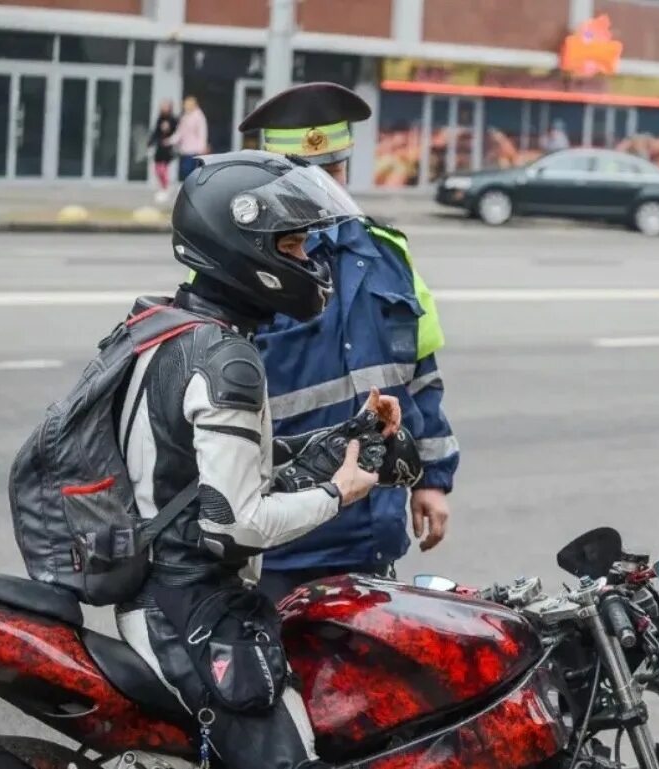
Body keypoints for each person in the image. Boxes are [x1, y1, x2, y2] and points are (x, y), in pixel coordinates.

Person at [114, 149, 405, 769]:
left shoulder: (171, 327)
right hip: (191, 612)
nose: (310, 261)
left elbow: (214, 465)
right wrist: (340, 493)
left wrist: (350, 435)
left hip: (164, 591)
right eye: (295, 246)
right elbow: (234, 524)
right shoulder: (228, 362)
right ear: (247, 249)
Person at [236, 82, 459, 602]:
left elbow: (420, 377)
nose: (322, 189)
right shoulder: (245, 268)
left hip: (370, 534)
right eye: (302, 175)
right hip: (280, 540)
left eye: (333, 172)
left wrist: (431, 479)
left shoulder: (386, 253)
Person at [167, 94, 209, 182]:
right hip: (185, 149)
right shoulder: (185, 116)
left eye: (187, 104)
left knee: (191, 171)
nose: (185, 106)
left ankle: (191, 188)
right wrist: (170, 141)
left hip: (195, 150)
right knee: (185, 170)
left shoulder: (199, 116)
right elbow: (180, 133)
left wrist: (202, 147)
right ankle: (187, 187)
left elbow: (202, 132)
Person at [147, 99, 178, 202]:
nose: (163, 108)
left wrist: (171, 141)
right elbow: (156, 132)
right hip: (159, 147)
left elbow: (177, 132)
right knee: (157, 169)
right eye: (162, 106)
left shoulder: (173, 120)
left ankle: (166, 188)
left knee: (164, 169)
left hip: (168, 147)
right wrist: (151, 142)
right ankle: (162, 187)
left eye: (165, 106)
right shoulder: (160, 119)